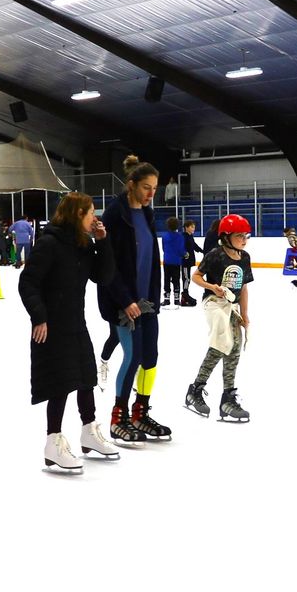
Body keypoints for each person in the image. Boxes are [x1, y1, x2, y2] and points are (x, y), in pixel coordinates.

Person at [20, 192, 119, 472]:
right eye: (90, 213)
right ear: (77, 214)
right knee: (59, 383)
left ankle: (88, 431)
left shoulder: (83, 244)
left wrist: (103, 242)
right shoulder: (49, 243)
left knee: (86, 376)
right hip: (51, 326)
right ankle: (53, 442)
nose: (93, 218)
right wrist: (39, 317)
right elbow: (27, 283)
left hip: (76, 322)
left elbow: (104, 276)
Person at [97, 157, 169, 444]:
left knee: (150, 358)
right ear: (131, 185)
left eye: (154, 188)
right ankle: (119, 416)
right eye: (146, 187)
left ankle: (140, 411)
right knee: (133, 356)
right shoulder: (115, 215)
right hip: (123, 303)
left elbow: (151, 262)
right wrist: (125, 300)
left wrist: (153, 299)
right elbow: (108, 265)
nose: (151, 193)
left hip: (147, 301)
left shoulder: (148, 215)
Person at [185, 213, 254, 421]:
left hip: (231, 306)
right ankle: (196, 390)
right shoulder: (215, 254)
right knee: (223, 338)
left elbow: (243, 288)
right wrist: (211, 287)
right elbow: (195, 276)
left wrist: (245, 314)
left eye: (246, 236)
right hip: (213, 303)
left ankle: (226, 397)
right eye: (240, 235)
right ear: (226, 237)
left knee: (234, 346)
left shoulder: (245, 257)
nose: (244, 239)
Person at [160, 217, 185, 307]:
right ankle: (176, 299)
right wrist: (185, 254)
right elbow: (181, 250)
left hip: (167, 260)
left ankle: (166, 299)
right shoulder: (180, 236)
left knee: (166, 279)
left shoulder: (164, 236)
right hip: (176, 261)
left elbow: (163, 248)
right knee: (176, 279)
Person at [180, 220, 203, 306]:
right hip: (185, 261)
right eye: (192, 227)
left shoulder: (190, 236)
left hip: (189, 261)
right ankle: (185, 295)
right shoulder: (183, 236)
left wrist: (202, 251)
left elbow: (194, 245)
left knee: (187, 278)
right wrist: (184, 254)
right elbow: (181, 248)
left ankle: (185, 294)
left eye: (194, 226)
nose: (194, 228)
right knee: (186, 278)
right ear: (186, 227)